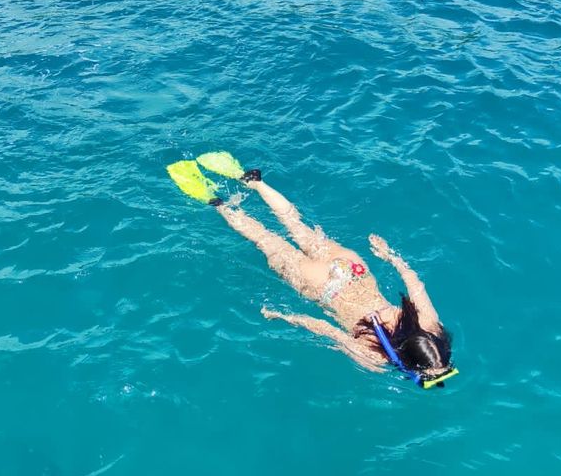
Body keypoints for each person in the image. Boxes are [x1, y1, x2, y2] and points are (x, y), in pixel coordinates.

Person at [167, 153, 457, 389]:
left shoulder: (431, 324)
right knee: (266, 239)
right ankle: (215, 201)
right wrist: (284, 316)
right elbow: (325, 328)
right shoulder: (375, 359)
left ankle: (253, 182)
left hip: (353, 267)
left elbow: (414, 282)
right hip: (323, 285)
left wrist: (389, 255)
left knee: (297, 225)